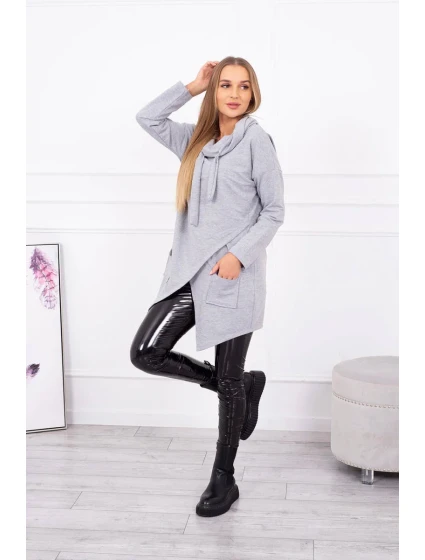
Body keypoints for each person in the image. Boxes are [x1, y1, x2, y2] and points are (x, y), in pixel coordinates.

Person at [130, 57, 285, 517]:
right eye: (225, 85)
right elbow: (148, 118)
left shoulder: (257, 141)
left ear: (253, 93)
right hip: (186, 275)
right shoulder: (195, 141)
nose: (234, 94)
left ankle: (224, 478)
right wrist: (192, 86)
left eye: (243, 86)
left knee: (230, 379)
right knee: (146, 353)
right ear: (214, 91)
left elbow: (274, 210)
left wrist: (239, 255)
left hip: (234, 277)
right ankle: (236, 386)